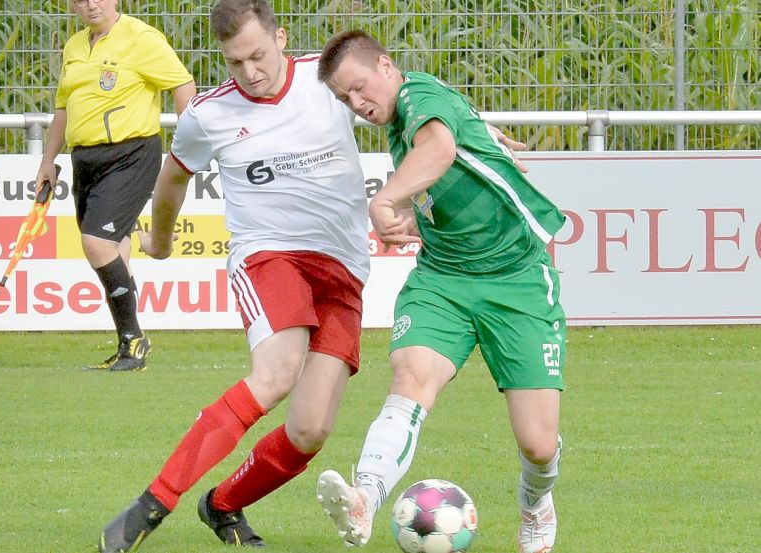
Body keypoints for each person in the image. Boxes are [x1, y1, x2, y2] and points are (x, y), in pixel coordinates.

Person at [95, 0, 373, 551]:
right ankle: (151, 505)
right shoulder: (209, 114)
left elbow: (409, 107)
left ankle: (221, 504)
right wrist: (162, 238)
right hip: (269, 255)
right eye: (234, 62)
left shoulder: (328, 79)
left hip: (344, 268)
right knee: (275, 374)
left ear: (280, 37)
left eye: (258, 55)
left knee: (310, 429)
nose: (250, 72)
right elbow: (173, 178)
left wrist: (470, 138)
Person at [313, 30, 567, 553]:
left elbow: (441, 145)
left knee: (539, 445)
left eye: (360, 88)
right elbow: (448, 132)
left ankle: (536, 505)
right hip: (442, 279)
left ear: (386, 66)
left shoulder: (415, 97)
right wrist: (477, 126)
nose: (358, 105)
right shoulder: (405, 114)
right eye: (345, 99)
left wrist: (384, 199)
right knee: (410, 379)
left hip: (515, 279)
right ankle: (365, 498)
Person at [35, 0, 196, 372]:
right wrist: (48, 160)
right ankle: (129, 350)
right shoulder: (75, 46)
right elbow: (64, 107)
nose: (91, 5)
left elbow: (183, 83)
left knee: (97, 242)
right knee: (114, 249)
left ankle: (134, 338)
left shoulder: (141, 37)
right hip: (84, 159)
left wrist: (188, 142)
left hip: (132, 153)